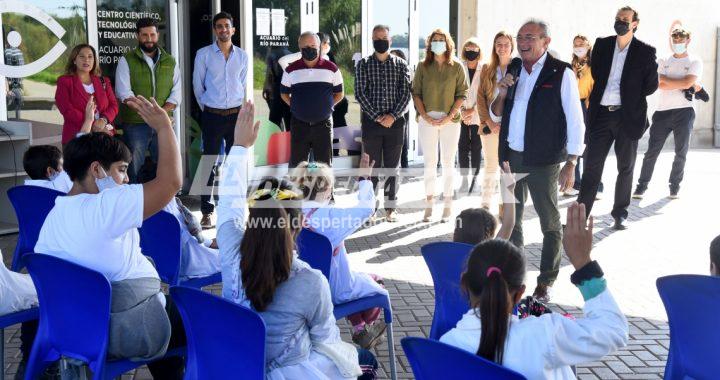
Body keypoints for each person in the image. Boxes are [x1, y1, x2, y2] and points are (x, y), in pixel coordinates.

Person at [214, 103, 379, 379]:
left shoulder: (231, 249)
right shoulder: (311, 281)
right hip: (290, 372)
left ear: (252, 214)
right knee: (366, 361)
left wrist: (240, 147)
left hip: (239, 366)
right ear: (299, 223)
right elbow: (328, 344)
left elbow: (228, 203)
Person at [34, 96, 185, 378]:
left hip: (72, 329)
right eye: (122, 170)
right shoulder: (107, 204)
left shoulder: (55, 213)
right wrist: (164, 128)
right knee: (195, 316)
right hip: (121, 328)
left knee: (170, 311)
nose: (127, 180)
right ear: (96, 170)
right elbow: (171, 183)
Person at [441, 202, 628, 378]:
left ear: (464, 283)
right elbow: (613, 330)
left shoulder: (445, 347)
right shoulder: (544, 335)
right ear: (519, 293)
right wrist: (583, 263)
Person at [490, 19, 585, 302]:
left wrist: (571, 162)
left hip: (543, 161)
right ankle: (514, 277)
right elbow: (496, 115)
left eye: (530, 37)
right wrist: (502, 91)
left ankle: (545, 281)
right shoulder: (515, 69)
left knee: (550, 224)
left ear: (546, 42)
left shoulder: (561, 73)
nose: (523, 42)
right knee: (511, 220)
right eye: (520, 37)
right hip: (510, 159)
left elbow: (575, 119)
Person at [289, 157, 389, 349]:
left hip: (299, 290)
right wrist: (365, 180)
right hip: (333, 290)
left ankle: (360, 329)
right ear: (327, 189)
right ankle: (365, 327)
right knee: (375, 281)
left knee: (354, 280)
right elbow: (367, 209)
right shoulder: (330, 217)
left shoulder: (288, 212)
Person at [578, 6, 658, 230]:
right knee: (592, 167)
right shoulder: (602, 45)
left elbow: (651, 86)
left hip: (627, 117)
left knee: (626, 167)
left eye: (625, 19)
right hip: (601, 114)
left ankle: (620, 213)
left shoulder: (645, 51)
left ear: (634, 24)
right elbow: (596, 75)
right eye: (618, 18)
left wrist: (632, 92)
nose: (620, 22)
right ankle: (581, 215)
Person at [193, 11, 249, 228]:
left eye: (227, 26)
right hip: (212, 116)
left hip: (235, 116)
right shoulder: (204, 54)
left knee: (235, 164)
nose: (223, 29)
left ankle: (234, 211)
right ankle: (206, 212)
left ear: (233, 29)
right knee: (209, 164)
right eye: (219, 26)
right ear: (215, 30)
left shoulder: (242, 56)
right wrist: (208, 108)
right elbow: (198, 87)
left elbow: (242, 86)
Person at [633, 27, 702, 200]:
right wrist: (685, 83)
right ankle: (641, 187)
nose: (678, 43)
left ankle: (674, 187)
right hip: (662, 112)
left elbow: (686, 82)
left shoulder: (695, 61)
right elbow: (660, 85)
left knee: (681, 151)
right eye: (675, 40)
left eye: (681, 40)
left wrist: (678, 82)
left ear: (688, 40)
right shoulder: (663, 60)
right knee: (651, 152)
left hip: (685, 111)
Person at [355, 25, 412, 222]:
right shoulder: (363, 64)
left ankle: (391, 208)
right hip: (372, 124)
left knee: (392, 168)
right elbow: (360, 94)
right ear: (372, 40)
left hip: (395, 125)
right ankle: (369, 208)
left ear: (390, 40)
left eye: (384, 38)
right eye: (376, 38)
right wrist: (378, 116)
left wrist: (392, 116)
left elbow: (406, 94)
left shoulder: (401, 65)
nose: (380, 41)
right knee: (372, 167)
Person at [412, 28, 469, 222]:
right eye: (434, 40)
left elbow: (462, 93)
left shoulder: (457, 67)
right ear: (429, 44)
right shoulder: (422, 66)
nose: (438, 43)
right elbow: (416, 93)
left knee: (447, 162)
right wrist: (424, 115)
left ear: (448, 44)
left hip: (450, 121)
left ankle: (447, 204)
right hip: (427, 120)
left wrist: (449, 116)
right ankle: (429, 204)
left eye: (441, 40)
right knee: (429, 162)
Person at [116, 18, 181, 183]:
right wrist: (149, 114)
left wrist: (160, 114)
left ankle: (166, 202)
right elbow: (124, 93)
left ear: (158, 35)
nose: (149, 38)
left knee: (166, 165)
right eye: (144, 35)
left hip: (163, 123)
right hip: (136, 124)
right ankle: (131, 203)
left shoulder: (170, 61)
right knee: (132, 168)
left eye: (152, 34)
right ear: (137, 36)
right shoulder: (127, 60)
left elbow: (176, 94)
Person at [281, 31, 344, 168]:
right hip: (299, 124)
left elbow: (339, 94)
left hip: (323, 125)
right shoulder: (290, 70)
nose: (310, 48)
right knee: (297, 166)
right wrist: (295, 106)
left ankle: (324, 190)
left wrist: (327, 107)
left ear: (319, 46)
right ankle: (296, 190)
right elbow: (284, 94)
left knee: (324, 166)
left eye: (313, 45)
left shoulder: (332, 69)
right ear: (299, 47)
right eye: (306, 46)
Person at [477, 31, 514, 210]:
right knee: (491, 165)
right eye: (498, 44)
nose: (502, 47)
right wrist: (489, 122)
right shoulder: (486, 69)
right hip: (489, 126)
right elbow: (480, 98)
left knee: (506, 166)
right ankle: (485, 204)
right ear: (494, 46)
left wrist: (504, 124)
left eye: (506, 44)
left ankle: (503, 205)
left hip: (510, 127)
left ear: (512, 46)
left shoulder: (518, 69)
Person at [55, 44, 118, 145]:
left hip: (104, 137)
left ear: (94, 60)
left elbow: (113, 105)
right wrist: (93, 125)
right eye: (81, 56)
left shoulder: (104, 81)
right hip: (77, 139)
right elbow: (67, 110)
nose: (86, 60)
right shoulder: (64, 81)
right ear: (74, 60)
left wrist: (103, 120)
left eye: (90, 56)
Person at [570, 35, 605, 198]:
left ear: (588, 46)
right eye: (576, 44)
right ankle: (574, 183)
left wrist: (591, 104)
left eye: (581, 44)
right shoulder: (572, 66)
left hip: (588, 106)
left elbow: (598, 86)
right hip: (573, 106)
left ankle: (594, 185)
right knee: (574, 143)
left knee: (590, 147)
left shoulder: (595, 65)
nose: (578, 47)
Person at [453, 162, 515, 244]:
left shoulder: (445, 252)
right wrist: (510, 189)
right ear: (488, 234)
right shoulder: (487, 253)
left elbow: (508, 225)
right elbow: (508, 225)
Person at [457, 38, 483, 195]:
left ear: (479, 52)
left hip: (477, 114)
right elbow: (454, 90)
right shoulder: (459, 67)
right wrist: (461, 110)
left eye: (474, 49)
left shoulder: (484, 69)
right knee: (462, 147)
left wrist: (472, 110)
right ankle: (464, 180)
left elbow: (486, 93)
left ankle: (475, 179)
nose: (471, 52)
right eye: (468, 48)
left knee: (476, 147)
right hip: (460, 114)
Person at [389, 49, 412, 169]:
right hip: (390, 110)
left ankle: (404, 162)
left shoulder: (404, 71)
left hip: (402, 110)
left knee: (402, 137)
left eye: (394, 56)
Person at [263, 46, 292, 130]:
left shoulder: (272, 55)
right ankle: (290, 141)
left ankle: (276, 140)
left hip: (277, 88)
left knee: (274, 120)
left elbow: (269, 73)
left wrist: (266, 88)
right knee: (289, 118)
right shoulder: (290, 54)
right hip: (289, 88)